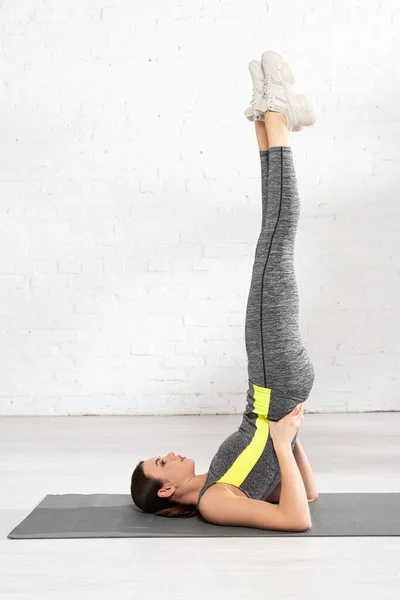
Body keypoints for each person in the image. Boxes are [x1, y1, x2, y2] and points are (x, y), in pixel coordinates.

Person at [131, 51, 318, 531]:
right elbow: (298, 520)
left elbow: (309, 493)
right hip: (273, 374)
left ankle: (266, 118)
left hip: (273, 380)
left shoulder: (221, 475)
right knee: (277, 233)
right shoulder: (215, 501)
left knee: (274, 233)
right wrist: (280, 439)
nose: (169, 453)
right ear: (167, 489)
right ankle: (276, 112)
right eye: (160, 461)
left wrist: (289, 441)